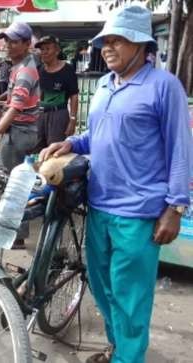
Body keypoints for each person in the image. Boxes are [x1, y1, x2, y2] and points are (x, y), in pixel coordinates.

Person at [39, 6, 191, 363]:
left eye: (117, 41)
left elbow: (180, 148)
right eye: (105, 41)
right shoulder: (106, 85)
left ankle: (128, 357)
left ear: (141, 44)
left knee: (131, 296)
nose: (107, 48)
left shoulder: (164, 87)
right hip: (100, 206)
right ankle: (119, 348)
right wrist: (73, 143)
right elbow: (100, 133)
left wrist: (175, 207)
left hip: (139, 212)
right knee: (104, 288)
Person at [0, 22, 41, 250]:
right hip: (20, 131)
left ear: (26, 44)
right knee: (11, 182)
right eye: (7, 41)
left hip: (20, 133)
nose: (9, 46)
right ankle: (9, 232)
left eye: (14, 42)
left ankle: (15, 236)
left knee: (12, 186)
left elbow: (15, 108)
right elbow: (14, 96)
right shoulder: (20, 66)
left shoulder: (25, 71)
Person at [34, 35, 79, 150]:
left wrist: (72, 120)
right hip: (40, 115)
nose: (44, 52)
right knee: (36, 149)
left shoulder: (68, 70)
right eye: (42, 49)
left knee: (55, 150)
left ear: (57, 50)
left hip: (59, 115)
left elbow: (74, 95)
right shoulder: (39, 70)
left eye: (47, 49)